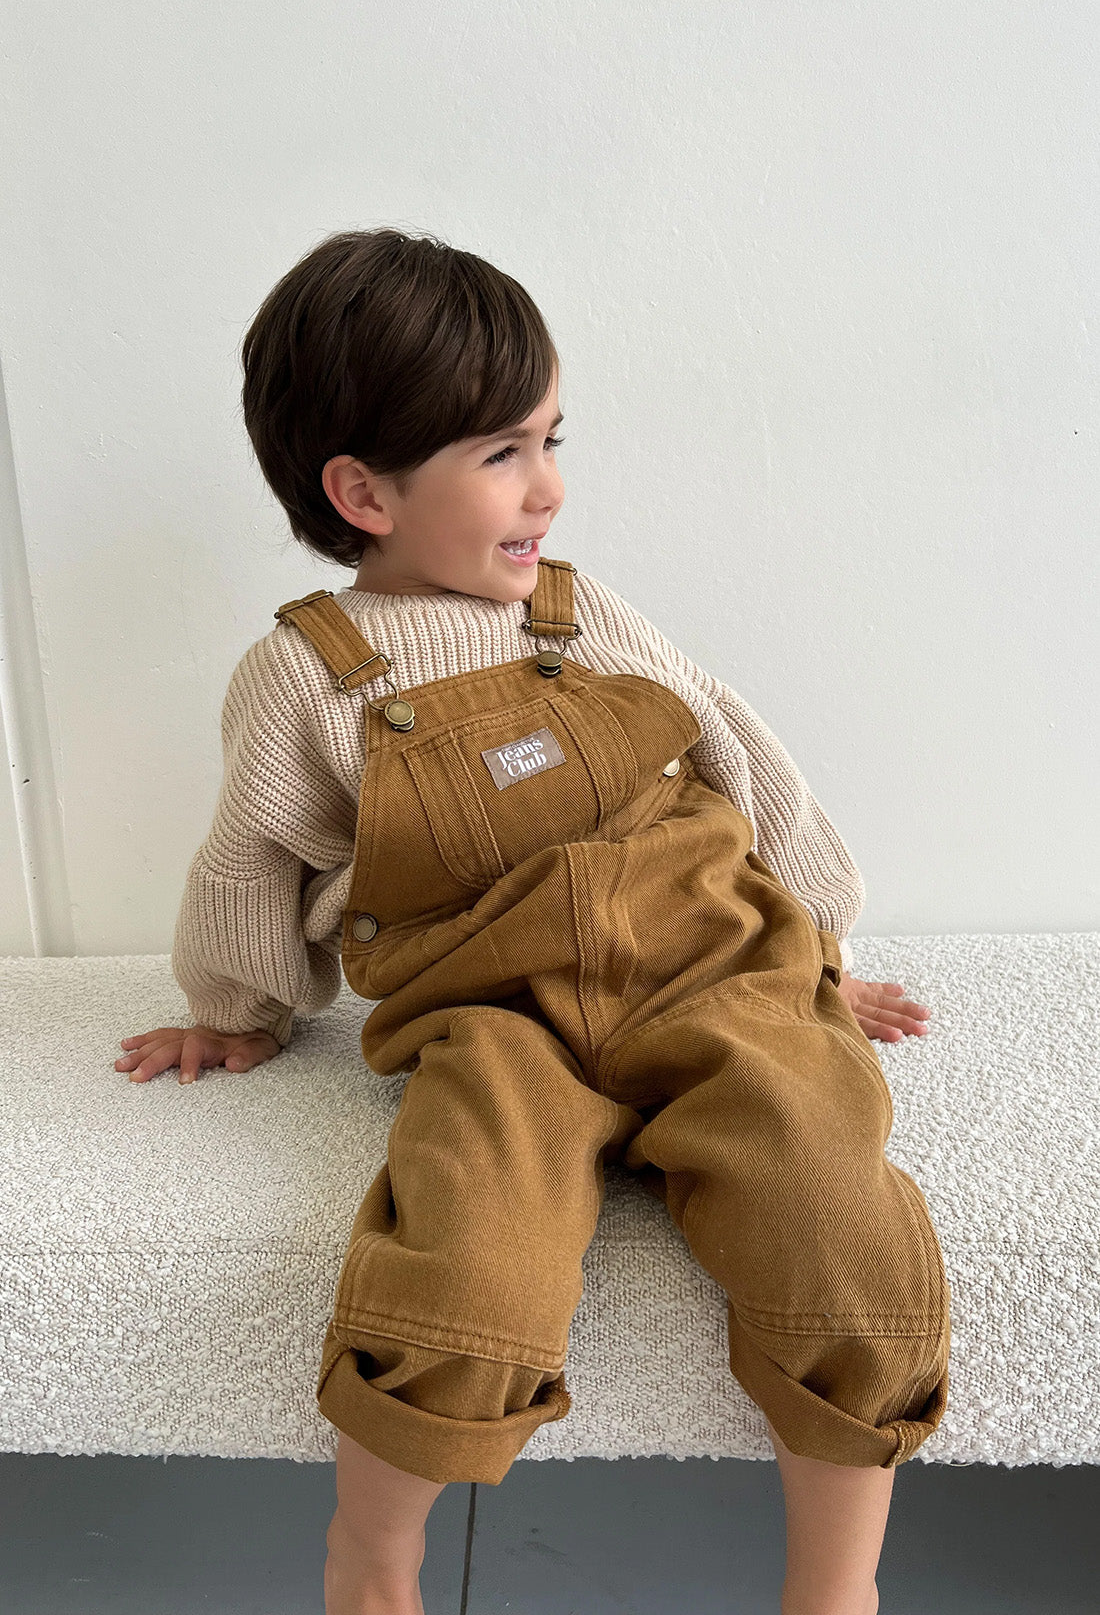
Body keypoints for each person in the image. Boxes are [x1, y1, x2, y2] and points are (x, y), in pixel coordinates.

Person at [115, 228, 949, 1615]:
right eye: (503, 453)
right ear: (362, 492)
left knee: (833, 1201)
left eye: (552, 437)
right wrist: (236, 1012)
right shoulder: (307, 677)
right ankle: (372, 1566)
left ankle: (836, 1587)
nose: (549, 486)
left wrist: (813, 947)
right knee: (465, 1256)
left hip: (712, 972)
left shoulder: (580, 611)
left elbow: (738, 752)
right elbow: (248, 860)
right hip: (495, 1021)